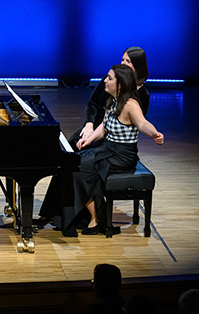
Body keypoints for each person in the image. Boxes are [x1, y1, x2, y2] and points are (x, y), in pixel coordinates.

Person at [38, 47, 153, 228]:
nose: (123, 64)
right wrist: (89, 125)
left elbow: (138, 124)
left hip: (111, 139)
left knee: (78, 163)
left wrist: (153, 133)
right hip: (96, 129)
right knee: (67, 155)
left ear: (137, 67)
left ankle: (81, 216)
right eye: (122, 60)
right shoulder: (112, 78)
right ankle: (53, 211)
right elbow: (93, 104)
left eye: (128, 62)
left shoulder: (139, 95)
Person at [62, 64, 164, 236]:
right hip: (108, 149)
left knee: (79, 169)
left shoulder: (131, 104)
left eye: (109, 78)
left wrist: (154, 133)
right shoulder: (114, 100)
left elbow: (142, 123)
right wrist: (88, 139)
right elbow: (104, 126)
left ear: (120, 84)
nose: (105, 81)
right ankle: (94, 216)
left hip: (121, 155)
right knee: (74, 162)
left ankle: (96, 219)